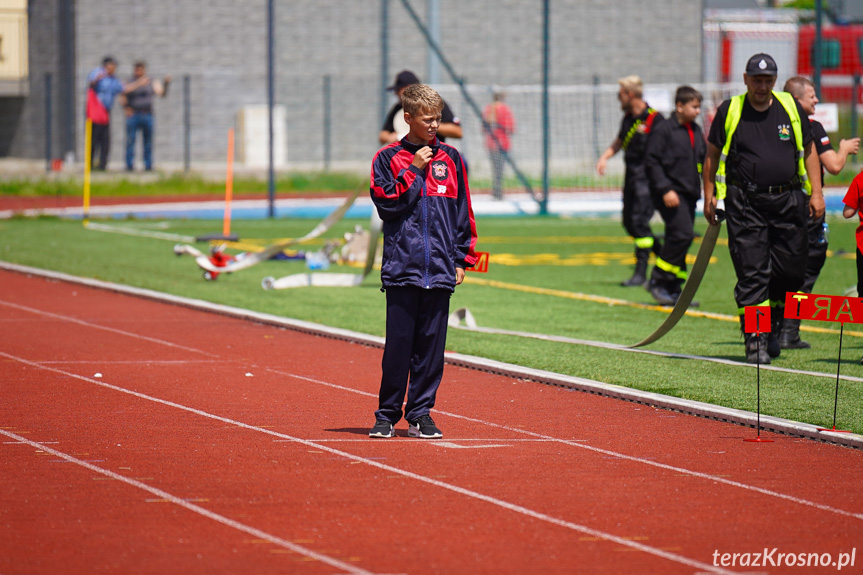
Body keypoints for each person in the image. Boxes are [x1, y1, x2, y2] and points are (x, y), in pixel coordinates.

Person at [368, 83, 478, 439]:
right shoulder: (387, 159)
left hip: (442, 270)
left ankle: (421, 413)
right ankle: (386, 415)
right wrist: (414, 170)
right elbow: (388, 205)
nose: (435, 126)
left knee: (431, 352)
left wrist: (463, 259)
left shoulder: (453, 159)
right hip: (403, 268)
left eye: (438, 119)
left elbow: (463, 213)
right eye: (428, 119)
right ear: (408, 118)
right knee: (399, 348)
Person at [703, 53, 824, 364]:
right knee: (753, 273)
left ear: (775, 80)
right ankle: (755, 340)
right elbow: (712, 156)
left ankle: (776, 326)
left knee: (791, 273)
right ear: (745, 80)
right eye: (756, 80)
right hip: (746, 205)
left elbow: (809, 150)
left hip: (789, 201)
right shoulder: (731, 111)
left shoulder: (790, 107)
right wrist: (709, 196)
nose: (762, 85)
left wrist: (817, 194)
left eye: (768, 80)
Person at [780, 76, 860, 349]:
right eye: (811, 96)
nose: (816, 100)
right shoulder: (811, 126)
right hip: (806, 208)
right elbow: (835, 166)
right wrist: (845, 149)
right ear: (796, 99)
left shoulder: (772, 124)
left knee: (773, 267)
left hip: (775, 207)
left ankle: (765, 331)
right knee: (808, 266)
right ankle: (789, 331)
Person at [596, 75, 664, 287]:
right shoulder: (628, 118)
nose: (619, 99)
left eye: (620, 95)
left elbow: (666, 149)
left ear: (630, 94)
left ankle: (641, 273)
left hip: (648, 180)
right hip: (632, 178)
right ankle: (664, 259)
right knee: (629, 222)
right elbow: (619, 141)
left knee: (639, 222)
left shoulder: (655, 119)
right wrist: (604, 157)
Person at [644, 86, 706, 306]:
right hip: (669, 193)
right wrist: (665, 189)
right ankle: (657, 281)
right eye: (694, 106)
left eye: (699, 106)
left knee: (678, 237)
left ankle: (674, 288)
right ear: (679, 106)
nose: (698, 111)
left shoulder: (695, 130)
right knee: (683, 235)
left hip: (689, 195)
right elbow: (652, 161)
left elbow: (705, 159)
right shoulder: (664, 129)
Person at [379, 70, 463, 145]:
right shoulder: (399, 107)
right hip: (406, 157)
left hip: (434, 155)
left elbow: (457, 132)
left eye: (398, 90)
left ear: (408, 88)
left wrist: (429, 124)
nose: (396, 94)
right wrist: (390, 137)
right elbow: (382, 135)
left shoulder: (435, 104)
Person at [122, 61, 171, 171]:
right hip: (133, 115)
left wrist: (166, 83)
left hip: (147, 115)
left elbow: (161, 93)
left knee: (148, 142)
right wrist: (126, 108)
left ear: (144, 70)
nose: (138, 71)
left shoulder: (151, 81)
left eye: (140, 69)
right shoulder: (130, 80)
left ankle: (148, 165)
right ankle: (129, 165)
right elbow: (123, 91)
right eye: (136, 69)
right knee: (130, 141)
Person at [86, 56, 125, 170]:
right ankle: (90, 164)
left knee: (105, 140)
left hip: (106, 112)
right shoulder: (98, 73)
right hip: (96, 111)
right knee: (93, 139)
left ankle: (102, 165)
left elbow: (123, 88)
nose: (114, 68)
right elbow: (91, 82)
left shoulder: (114, 79)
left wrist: (140, 83)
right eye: (113, 65)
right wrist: (101, 75)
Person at [482, 89, 515, 200]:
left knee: (495, 168)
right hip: (502, 143)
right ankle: (498, 191)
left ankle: (496, 190)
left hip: (491, 143)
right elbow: (511, 127)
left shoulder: (488, 108)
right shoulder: (505, 109)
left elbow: (483, 127)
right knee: (499, 169)